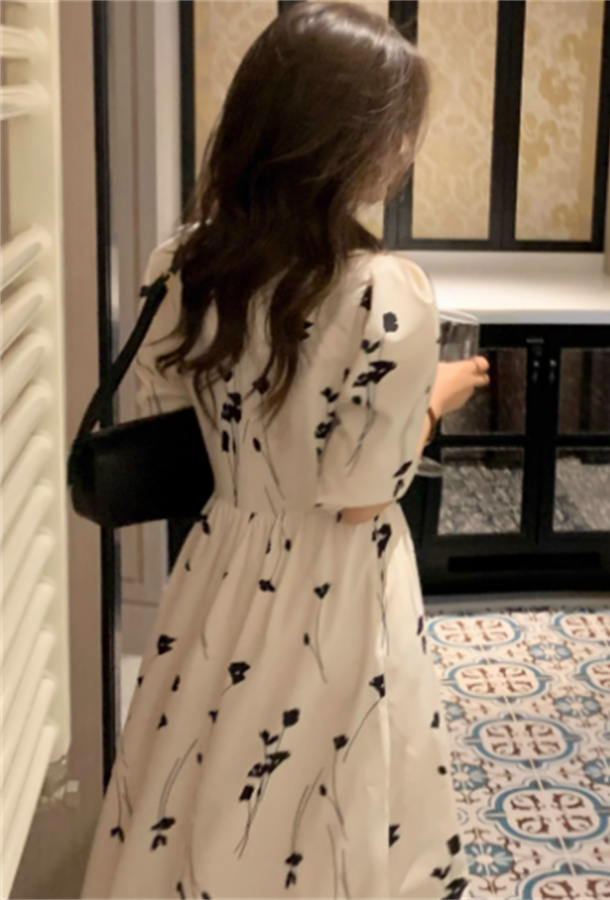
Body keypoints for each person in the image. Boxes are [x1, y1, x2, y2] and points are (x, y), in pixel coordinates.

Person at [81, 4, 488, 898]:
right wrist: (438, 396)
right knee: (330, 791)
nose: (405, 150)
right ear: (347, 143)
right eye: (398, 129)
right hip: (334, 580)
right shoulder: (386, 293)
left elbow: (173, 407)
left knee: (199, 762)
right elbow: (361, 491)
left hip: (222, 560)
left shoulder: (183, 264)